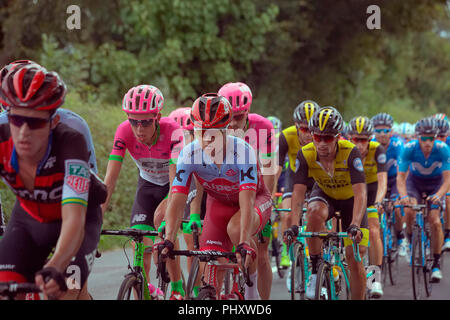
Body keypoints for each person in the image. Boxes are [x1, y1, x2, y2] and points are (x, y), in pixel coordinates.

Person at [0, 61, 106, 300]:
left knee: (66, 291)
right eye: (16, 120)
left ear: (53, 123)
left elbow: (74, 217)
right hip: (27, 221)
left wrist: (57, 265)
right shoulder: (1, 140)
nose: (24, 132)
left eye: (35, 122)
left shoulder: (71, 143)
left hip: (78, 221)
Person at [160, 93, 273, 300]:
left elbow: (246, 201)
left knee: (238, 230)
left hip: (254, 201)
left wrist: (244, 241)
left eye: (214, 133)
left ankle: (251, 292)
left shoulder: (243, 151)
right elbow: (176, 200)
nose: (207, 140)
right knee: (209, 256)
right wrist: (168, 238)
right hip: (218, 205)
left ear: (228, 130)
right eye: (201, 132)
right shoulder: (188, 154)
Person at [101, 84, 183, 299]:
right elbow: (109, 180)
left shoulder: (173, 130)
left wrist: (169, 218)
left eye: (145, 121)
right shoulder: (123, 131)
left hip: (172, 185)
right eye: (133, 121)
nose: (139, 129)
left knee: (164, 229)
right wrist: (97, 215)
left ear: (157, 117)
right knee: (139, 238)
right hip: (147, 186)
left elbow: (176, 184)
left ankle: (177, 287)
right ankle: (144, 292)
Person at [285, 106, 369, 300]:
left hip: (350, 200)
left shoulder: (351, 152)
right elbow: (298, 193)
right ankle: (315, 269)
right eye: (317, 137)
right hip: (326, 193)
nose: (322, 143)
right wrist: (294, 225)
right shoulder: (305, 154)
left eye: (328, 138)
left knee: (355, 258)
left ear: (338, 137)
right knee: (313, 211)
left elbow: (360, 193)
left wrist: (355, 223)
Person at [218, 82, 276, 299]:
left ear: (248, 113)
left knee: (261, 255)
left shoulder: (264, 128)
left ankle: (261, 301)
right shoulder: (216, 128)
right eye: (229, 118)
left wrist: (263, 208)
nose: (233, 124)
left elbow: (270, 171)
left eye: (239, 118)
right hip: (228, 192)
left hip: (258, 193)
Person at [397, 117, 450, 282]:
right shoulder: (409, 148)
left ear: (435, 137)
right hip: (415, 183)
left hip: (436, 183)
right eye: (424, 138)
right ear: (417, 137)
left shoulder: (443, 148)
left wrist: (439, 195)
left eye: (431, 138)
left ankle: (436, 264)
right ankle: (411, 240)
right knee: (409, 210)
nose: (428, 142)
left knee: (434, 221)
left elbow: (448, 179)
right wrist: (404, 196)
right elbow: (401, 177)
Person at [348, 116, 387, 298]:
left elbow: (382, 180)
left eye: (363, 140)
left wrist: (378, 201)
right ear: (350, 139)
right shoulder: (345, 150)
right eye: (355, 139)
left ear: (369, 140)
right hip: (351, 191)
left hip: (371, 191)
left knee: (372, 230)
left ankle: (376, 277)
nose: (359, 144)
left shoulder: (377, 149)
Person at [276, 100, 318, 268]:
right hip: (294, 177)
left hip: (316, 178)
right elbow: (277, 167)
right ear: (295, 126)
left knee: (313, 216)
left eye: (312, 129)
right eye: (303, 129)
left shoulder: (322, 138)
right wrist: (269, 193)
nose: (308, 134)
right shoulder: (286, 135)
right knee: (286, 214)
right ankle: (287, 251)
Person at [435, 118, 450, 250]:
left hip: (446, 173)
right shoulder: (429, 144)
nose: (439, 139)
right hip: (433, 176)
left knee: (448, 198)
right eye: (437, 136)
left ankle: (448, 234)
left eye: (442, 136)